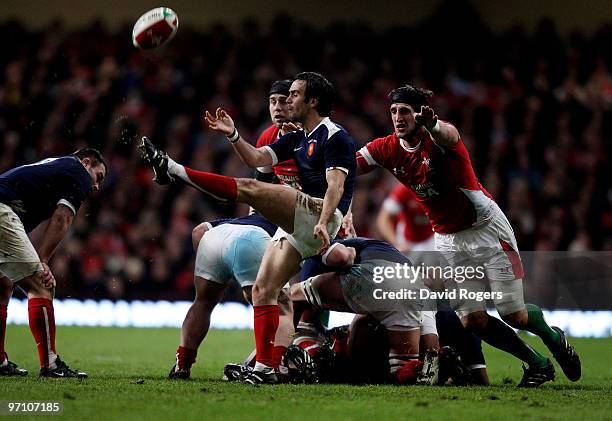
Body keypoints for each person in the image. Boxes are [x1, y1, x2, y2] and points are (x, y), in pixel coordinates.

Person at [355, 84, 580, 387]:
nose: (398, 117)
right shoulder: (388, 147)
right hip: (448, 240)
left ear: (419, 115)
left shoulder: (440, 141)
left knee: (513, 314)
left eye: (405, 111)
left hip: (486, 229)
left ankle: (554, 337)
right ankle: (537, 362)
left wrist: (432, 124)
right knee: (472, 320)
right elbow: (350, 163)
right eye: (394, 111)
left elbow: (448, 133)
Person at [140, 71, 357, 384]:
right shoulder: (296, 138)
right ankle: (266, 368)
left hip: (319, 214)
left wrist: (324, 221)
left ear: (313, 101)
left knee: (250, 187)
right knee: (263, 290)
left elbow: (336, 186)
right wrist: (232, 135)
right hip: (299, 223)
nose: (287, 100)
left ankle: (173, 168)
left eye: (294, 95)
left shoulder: (335, 136)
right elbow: (256, 156)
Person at [0, 148, 107, 378]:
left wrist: (38, 256)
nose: (97, 186)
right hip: (2, 209)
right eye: (99, 177)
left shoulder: (53, 172)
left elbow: (31, 228)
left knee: (3, 285)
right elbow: (63, 217)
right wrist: (44, 260)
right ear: (87, 163)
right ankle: (50, 364)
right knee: (42, 285)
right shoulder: (78, 171)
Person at [169, 214, 294, 380]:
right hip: (252, 240)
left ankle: (182, 365)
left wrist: (217, 273)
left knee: (203, 303)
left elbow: (198, 232)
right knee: (283, 309)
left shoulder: (238, 219)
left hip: (213, 239)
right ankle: (272, 367)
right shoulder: (291, 218)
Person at [291, 237, 424, 384]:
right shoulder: (370, 244)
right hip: (412, 284)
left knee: (293, 295)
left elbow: (305, 312)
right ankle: (425, 364)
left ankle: (283, 360)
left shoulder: (320, 247)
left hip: (375, 277)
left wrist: (292, 337)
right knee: (403, 366)